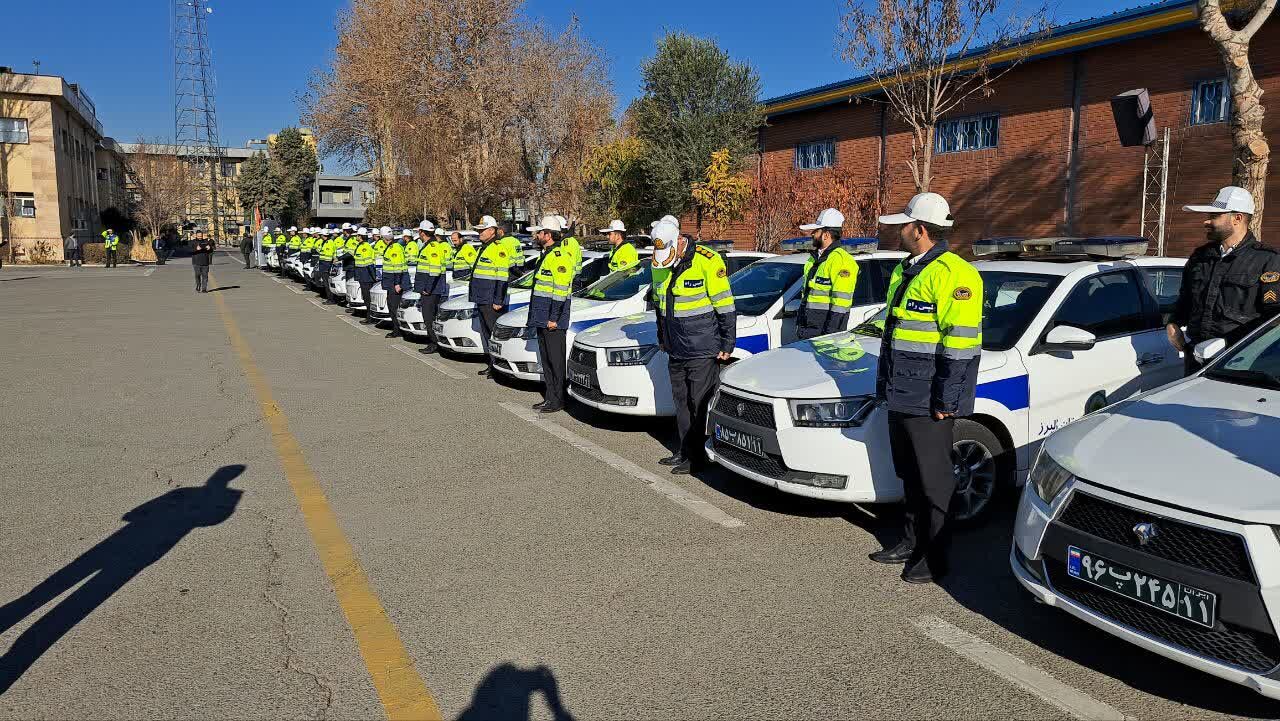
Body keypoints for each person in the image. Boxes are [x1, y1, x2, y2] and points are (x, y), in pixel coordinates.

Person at [868, 192, 983, 585]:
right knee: (910, 475)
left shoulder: (956, 274)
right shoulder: (908, 270)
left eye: (903, 224)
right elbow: (895, 334)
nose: (897, 230)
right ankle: (911, 541)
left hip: (929, 398)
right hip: (901, 391)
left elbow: (960, 344)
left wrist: (946, 400)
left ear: (918, 229)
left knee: (934, 482)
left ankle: (933, 559)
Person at [652, 219, 736, 475]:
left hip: (701, 346)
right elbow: (659, 306)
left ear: (678, 241)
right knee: (680, 402)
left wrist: (727, 342)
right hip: (675, 347)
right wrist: (662, 337)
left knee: (698, 403)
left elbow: (725, 305)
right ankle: (685, 450)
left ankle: (698, 457)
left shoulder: (708, 261)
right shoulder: (659, 261)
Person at [1172, 186, 1280, 375]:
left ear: (1237, 218)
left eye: (1214, 216)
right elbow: (1185, 300)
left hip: (1240, 363)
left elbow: (1273, 319)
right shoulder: (1200, 257)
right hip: (1195, 359)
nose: (1206, 221)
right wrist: (1173, 324)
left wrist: (1231, 343)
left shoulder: (1267, 260)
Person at [526, 216, 577, 413]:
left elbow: (561, 290)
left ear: (547, 235)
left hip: (552, 319)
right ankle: (550, 397)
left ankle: (558, 399)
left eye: (539, 232)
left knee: (555, 361)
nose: (537, 235)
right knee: (546, 360)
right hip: (542, 316)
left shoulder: (559, 256)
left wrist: (554, 317)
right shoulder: (546, 255)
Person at [796, 208, 861, 340]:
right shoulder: (813, 259)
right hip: (807, 330)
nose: (812, 234)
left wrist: (830, 338)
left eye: (816, 231)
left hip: (823, 334)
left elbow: (840, 306)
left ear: (826, 235)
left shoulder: (842, 260)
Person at [469, 217, 516, 377]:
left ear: (492, 230)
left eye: (482, 230)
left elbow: (502, 278)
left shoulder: (498, 248)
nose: (479, 233)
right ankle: (492, 365)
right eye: (479, 230)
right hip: (482, 298)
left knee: (494, 334)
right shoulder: (484, 247)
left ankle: (499, 367)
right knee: (486, 334)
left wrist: (498, 300)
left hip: (490, 300)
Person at [416, 222, 453, 354]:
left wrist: (428, 289)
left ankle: (434, 343)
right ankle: (434, 341)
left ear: (422, 232)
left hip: (431, 289)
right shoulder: (428, 245)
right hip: (429, 288)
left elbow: (435, 270)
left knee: (429, 317)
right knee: (429, 316)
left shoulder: (433, 247)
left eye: (419, 231)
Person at [381, 230, 409, 338]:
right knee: (391, 306)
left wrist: (397, 283)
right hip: (390, 282)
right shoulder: (392, 247)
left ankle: (397, 330)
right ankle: (396, 328)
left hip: (394, 283)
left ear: (385, 238)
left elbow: (398, 267)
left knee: (394, 307)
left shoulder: (395, 248)